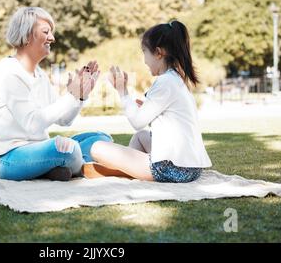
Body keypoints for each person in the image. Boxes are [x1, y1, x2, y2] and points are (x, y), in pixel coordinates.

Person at [0, 7, 113, 181]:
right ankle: (72, 165)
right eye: (46, 32)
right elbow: (33, 123)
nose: (52, 38)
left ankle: (56, 166)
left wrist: (80, 95)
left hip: (34, 150)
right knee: (69, 149)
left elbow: (64, 120)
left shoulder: (39, 74)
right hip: (2, 158)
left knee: (101, 139)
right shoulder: (8, 72)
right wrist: (71, 95)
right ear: (26, 35)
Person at [82, 20, 212, 183]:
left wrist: (122, 92)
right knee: (140, 137)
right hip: (189, 168)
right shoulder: (175, 79)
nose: (144, 60)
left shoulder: (165, 81)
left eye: (145, 52)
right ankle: (124, 170)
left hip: (172, 169)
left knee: (97, 147)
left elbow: (137, 121)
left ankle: (119, 171)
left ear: (158, 53)